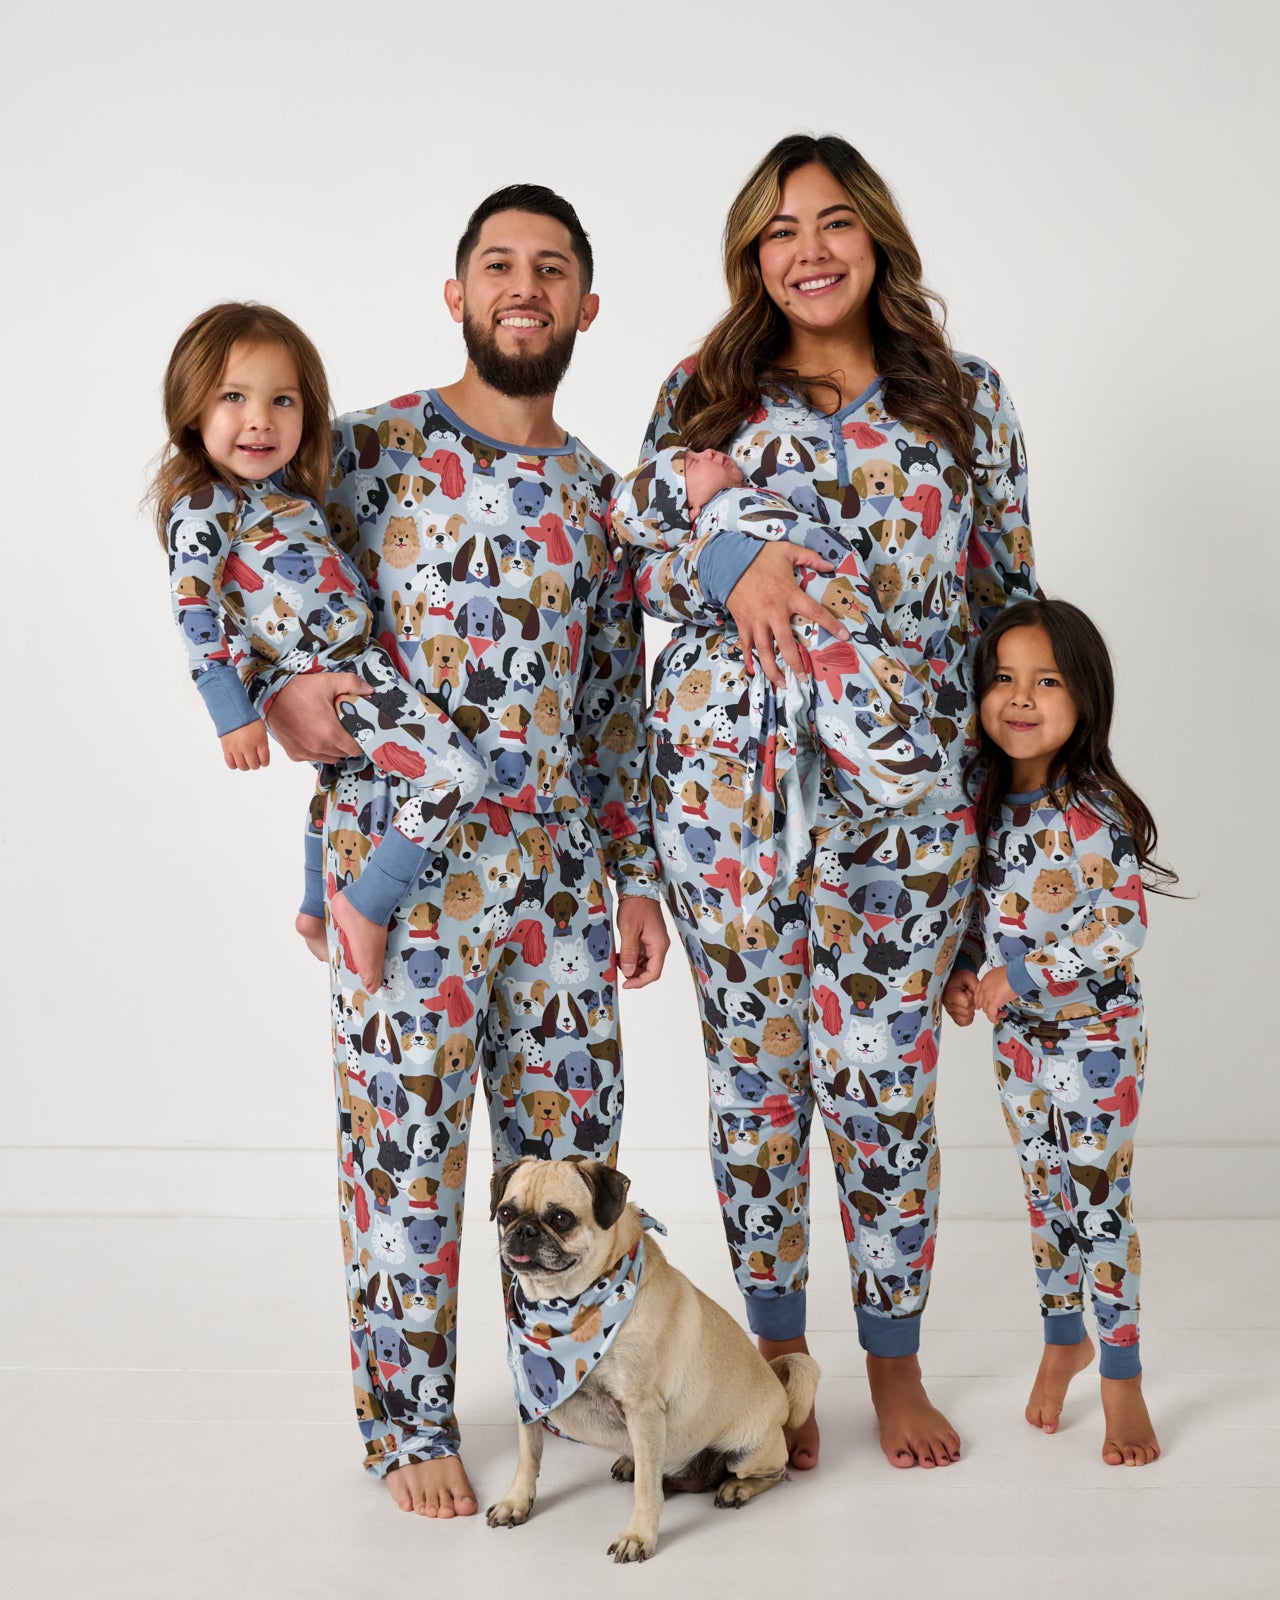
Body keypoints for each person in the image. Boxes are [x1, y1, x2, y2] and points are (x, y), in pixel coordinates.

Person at [252, 186, 669, 1517]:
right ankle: (406, 1425)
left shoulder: (600, 500)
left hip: (553, 893)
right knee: (404, 1162)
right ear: (459, 294)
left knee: (571, 1166)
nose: (524, 285)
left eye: (552, 269)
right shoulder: (361, 451)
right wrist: (270, 705)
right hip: (403, 883)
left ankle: (570, 1398)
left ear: (586, 307)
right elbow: (249, 565)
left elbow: (613, 709)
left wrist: (636, 877)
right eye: (499, 264)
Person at [629, 133, 1035, 1471]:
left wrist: (1014, 840)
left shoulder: (964, 401)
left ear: (877, 239)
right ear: (752, 256)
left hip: (905, 815)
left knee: (883, 1087)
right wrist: (730, 551)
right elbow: (633, 548)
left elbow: (1005, 612)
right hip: (727, 800)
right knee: (756, 1087)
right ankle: (782, 1375)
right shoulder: (709, 388)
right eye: (780, 231)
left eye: (835, 223)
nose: (809, 251)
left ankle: (896, 1370)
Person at [156, 302, 487, 987]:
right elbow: (194, 608)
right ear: (192, 409)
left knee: (335, 781)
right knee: (456, 774)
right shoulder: (207, 505)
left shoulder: (290, 499)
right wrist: (235, 710)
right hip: (333, 675)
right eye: (234, 397)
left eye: (283, 400)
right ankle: (363, 905)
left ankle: (314, 907)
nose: (260, 419)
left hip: (355, 666)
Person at [942, 598, 1170, 1467]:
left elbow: (1122, 925)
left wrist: (1021, 975)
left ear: (1085, 699)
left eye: (1046, 681)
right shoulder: (986, 803)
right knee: (1045, 1198)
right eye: (1002, 679)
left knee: (1098, 1205)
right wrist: (969, 972)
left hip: (1097, 1041)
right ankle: (1062, 1336)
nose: (1020, 699)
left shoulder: (1093, 808)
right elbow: (976, 908)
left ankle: (1122, 1375)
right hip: (1020, 1047)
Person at [611, 444, 942, 912]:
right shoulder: (699, 406)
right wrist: (717, 560)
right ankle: (889, 751)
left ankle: (891, 751)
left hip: (932, 815)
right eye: (688, 464)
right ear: (683, 507)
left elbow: (1006, 591)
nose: (708, 450)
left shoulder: (968, 391)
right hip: (721, 780)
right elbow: (637, 569)